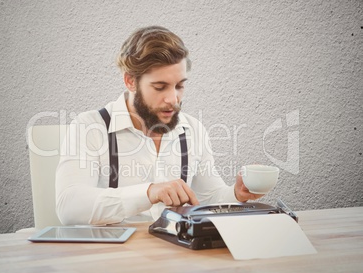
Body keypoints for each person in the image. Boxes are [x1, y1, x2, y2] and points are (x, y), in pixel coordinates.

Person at [55, 26, 263, 225]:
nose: (173, 99)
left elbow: (209, 198)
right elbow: (69, 207)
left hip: (174, 254)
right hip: (113, 257)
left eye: (179, 86)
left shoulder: (193, 130)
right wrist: (149, 192)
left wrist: (236, 194)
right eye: (160, 87)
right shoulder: (89, 127)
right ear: (130, 81)